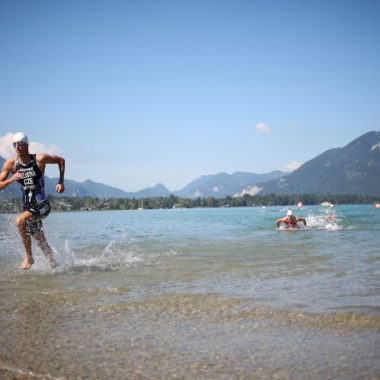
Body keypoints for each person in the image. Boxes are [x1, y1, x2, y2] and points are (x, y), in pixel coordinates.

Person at [0, 132, 65, 270]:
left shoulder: (39, 159)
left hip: (42, 204)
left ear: (27, 145)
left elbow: (61, 160)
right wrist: (11, 179)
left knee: (19, 221)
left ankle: (29, 258)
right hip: (29, 208)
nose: (17, 147)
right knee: (40, 241)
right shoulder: (11, 164)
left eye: (20, 144)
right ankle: (56, 265)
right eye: (14, 145)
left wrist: (60, 182)